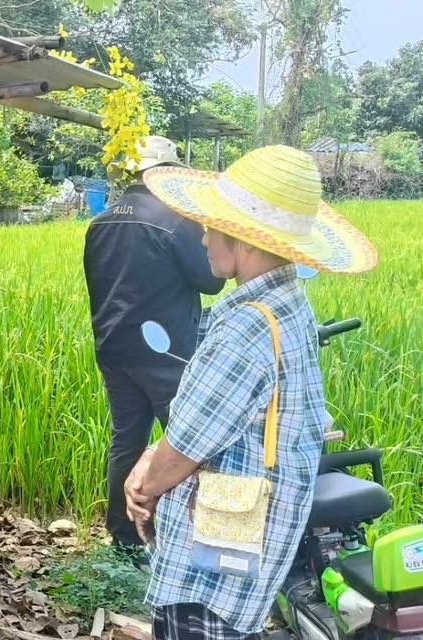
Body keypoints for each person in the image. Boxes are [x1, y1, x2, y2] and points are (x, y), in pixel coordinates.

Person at [124, 145, 378, 640]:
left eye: (210, 225)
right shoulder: (290, 305)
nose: (201, 237)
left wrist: (142, 487)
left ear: (241, 237)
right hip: (256, 552)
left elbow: (184, 451)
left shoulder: (243, 327)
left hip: (210, 568)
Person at [83, 135, 226, 550]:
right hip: (167, 353)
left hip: (113, 348)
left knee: (127, 440)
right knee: (186, 442)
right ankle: (191, 542)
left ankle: (124, 540)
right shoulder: (176, 220)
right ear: (165, 173)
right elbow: (211, 280)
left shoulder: (100, 222)